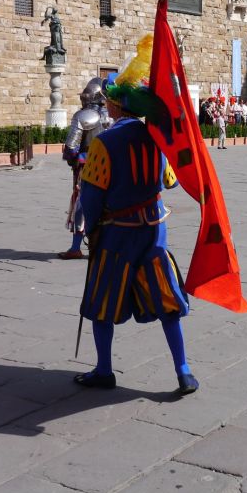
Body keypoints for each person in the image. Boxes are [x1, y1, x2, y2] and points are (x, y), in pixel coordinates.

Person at [76, 52, 198, 394]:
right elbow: (170, 180)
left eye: (111, 103)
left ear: (117, 107)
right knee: (168, 301)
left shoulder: (104, 143)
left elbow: (91, 196)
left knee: (102, 301)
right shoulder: (158, 139)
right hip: (154, 230)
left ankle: (104, 369)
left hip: (117, 233)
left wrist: (91, 227)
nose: (108, 107)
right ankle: (183, 369)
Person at [59, 77, 109, 259]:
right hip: (110, 166)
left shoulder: (82, 117)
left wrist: (71, 159)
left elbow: (71, 147)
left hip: (86, 166)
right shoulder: (112, 116)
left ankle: (75, 247)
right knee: (106, 204)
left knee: (81, 203)